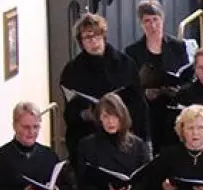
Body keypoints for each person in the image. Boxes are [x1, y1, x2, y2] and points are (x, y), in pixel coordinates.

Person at [60, 12, 148, 158]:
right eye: (88, 38)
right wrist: (83, 115)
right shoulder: (73, 70)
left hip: (123, 136)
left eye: (97, 35)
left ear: (104, 36)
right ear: (81, 42)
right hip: (88, 136)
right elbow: (69, 112)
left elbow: (138, 104)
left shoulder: (124, 64)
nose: (94, 41)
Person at [126, 0, 194, 119]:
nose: (152, 25)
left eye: (155, 19)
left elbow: (188, 76)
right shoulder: (133, 51)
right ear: (141, 24)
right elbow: (129, 85)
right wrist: (144, 93)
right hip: (146, 110)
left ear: (162, 20)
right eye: (147, 21)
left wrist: (179, 90)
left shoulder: (178, 46)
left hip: (174, 107)